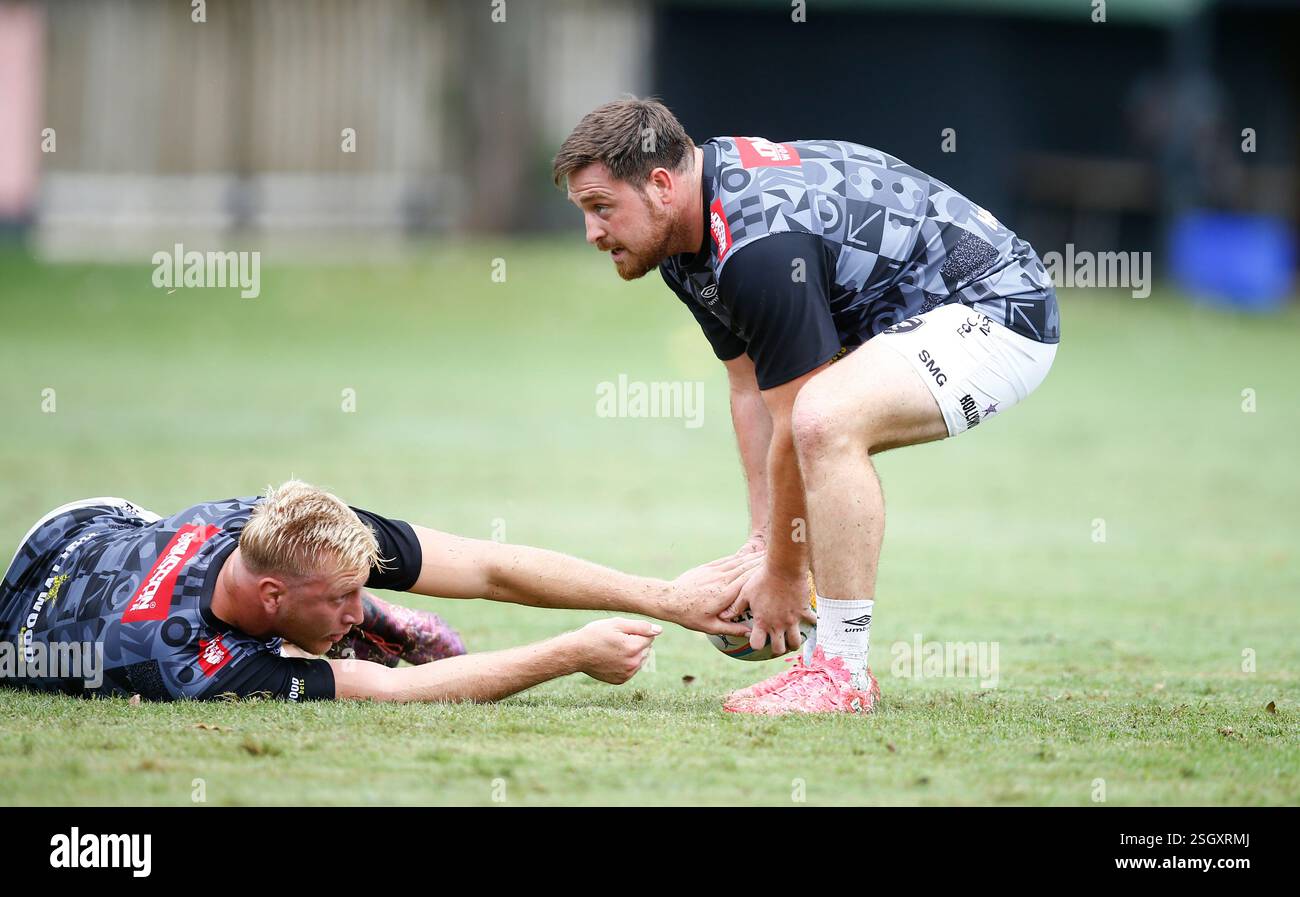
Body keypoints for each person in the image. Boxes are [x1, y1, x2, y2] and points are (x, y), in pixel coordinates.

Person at [553, 97, 1060, 714]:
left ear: (660, 184)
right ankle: (828, 661)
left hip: (1000, 309)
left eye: (602, 208)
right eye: (584, 212)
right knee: (817, 419)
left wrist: (786, 575)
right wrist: (764, 545)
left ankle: (841, 674)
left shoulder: (759, 248)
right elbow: (750, 390)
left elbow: (797, 422)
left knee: (824, 419)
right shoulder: (687, 243)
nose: (593, 233)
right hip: (930, 312)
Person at [0, 481, 758, 702]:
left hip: (96, 521)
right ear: (270, 597)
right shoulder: (194, 663)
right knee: (330, 653)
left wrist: (666, 597)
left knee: (341, 616)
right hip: (27, 622)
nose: (354, 605)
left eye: (361, 591)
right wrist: (573, 652)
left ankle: (345, 620)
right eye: (343, 599)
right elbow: (398, 692)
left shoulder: (276, 520)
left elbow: (487, 566)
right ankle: (334, 630)